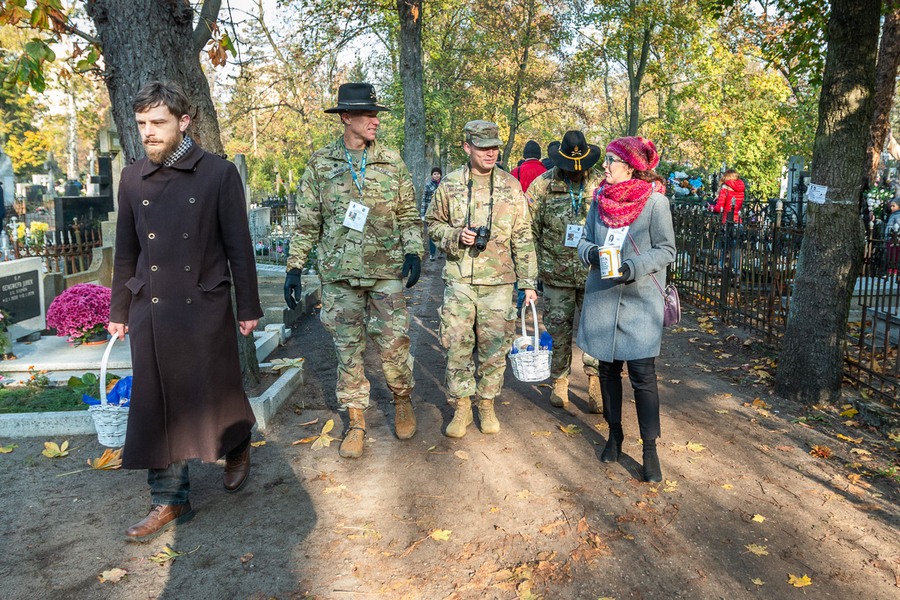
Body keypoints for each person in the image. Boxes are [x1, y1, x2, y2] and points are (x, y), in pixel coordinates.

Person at [108, 81, 262, 542]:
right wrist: (119, 309)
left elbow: (240, 246)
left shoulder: (217, 173)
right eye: (142, 125)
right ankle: (169, 500)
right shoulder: (133, 178)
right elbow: (125, 251)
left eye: (158, 123)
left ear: (184, 122)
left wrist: (248, 305)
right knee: (155, 403)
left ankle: (236, 444)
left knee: (216, 392)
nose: (148, 133)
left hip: (203, 302)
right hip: (150, 308)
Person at [284, 83, 423, 459]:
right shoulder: (320, 163)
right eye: (368, 115)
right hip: (339, 274)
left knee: (394, 345)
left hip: (386, 270)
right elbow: (308, 223)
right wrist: (294, 268)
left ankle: (402, 399)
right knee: (348, 351)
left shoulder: (391, 162)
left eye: (376, 114)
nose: (375, 121)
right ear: (347, 118)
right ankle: (357, 420)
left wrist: (414, 251)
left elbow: (409, 214)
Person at [426, 120, 537, 438]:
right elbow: (432, 224)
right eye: (483, 147)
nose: (491, 152)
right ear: (467, 147)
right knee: (457, 346)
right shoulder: (449, 184)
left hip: (500, 283)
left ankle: (486, 404)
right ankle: (461, 406)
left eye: (494, 147)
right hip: (460, 280)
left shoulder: (511, 185)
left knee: (494, 348)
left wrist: (528, 283)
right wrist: (453, 234)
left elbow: (523, 235)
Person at [576, 136, 675, 483]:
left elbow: (666, 250)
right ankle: (614, 433)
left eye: (611, 162)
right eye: (605, 161)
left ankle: (649, 449)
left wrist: (632, 267)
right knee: (607, 369)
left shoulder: (655, 203)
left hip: (640, 300)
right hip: (603, 296)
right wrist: (590, 253)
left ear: (631, 166)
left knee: (643, 377)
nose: (604, 167)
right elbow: (584, 239)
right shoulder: (599, 200)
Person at [528, 131, 603, 411]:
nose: (575, 172)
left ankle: (595, 383)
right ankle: (560, 381)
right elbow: (529, 230)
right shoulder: (542, 186)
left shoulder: (601, 184)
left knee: (594, 329)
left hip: (593, 273)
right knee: (558, 330)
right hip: (555, 273)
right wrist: (531, 271)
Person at [421, 167, 443, 260]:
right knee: (432, 233)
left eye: (438, 174)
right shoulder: (428, 186)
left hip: (442, 213)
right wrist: (423, 214)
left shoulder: (444, 185)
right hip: (431, 213)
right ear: (432, 175)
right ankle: (432, 253)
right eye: (434, 174)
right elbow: (424, 201)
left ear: (440, 175)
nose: (436, 175)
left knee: (442, 232)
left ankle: (441, 251)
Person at [884, 200, 900, 275]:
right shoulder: (892, 215)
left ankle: (895, 269)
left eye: (894, 206)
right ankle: (890, 269)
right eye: (891, 206)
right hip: (889, 238)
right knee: (890, 254)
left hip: (895, 238)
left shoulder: (898, 215)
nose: (891, 208)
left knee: (895, 254)